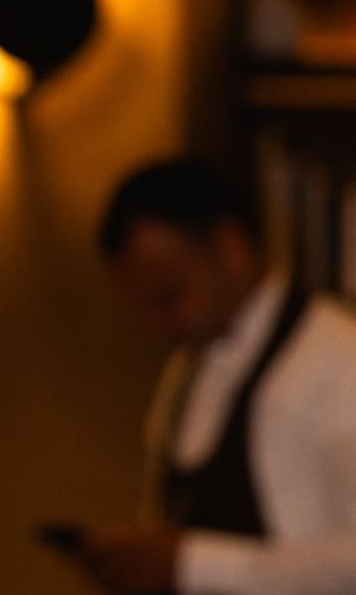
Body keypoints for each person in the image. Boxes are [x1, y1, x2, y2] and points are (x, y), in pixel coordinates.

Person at [77, 158, 356, 595]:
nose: (157, 326)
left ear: (229, 249)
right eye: (144, 307)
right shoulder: (184, 372)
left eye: (169, 296)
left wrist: (191, 563)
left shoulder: (342, 361)